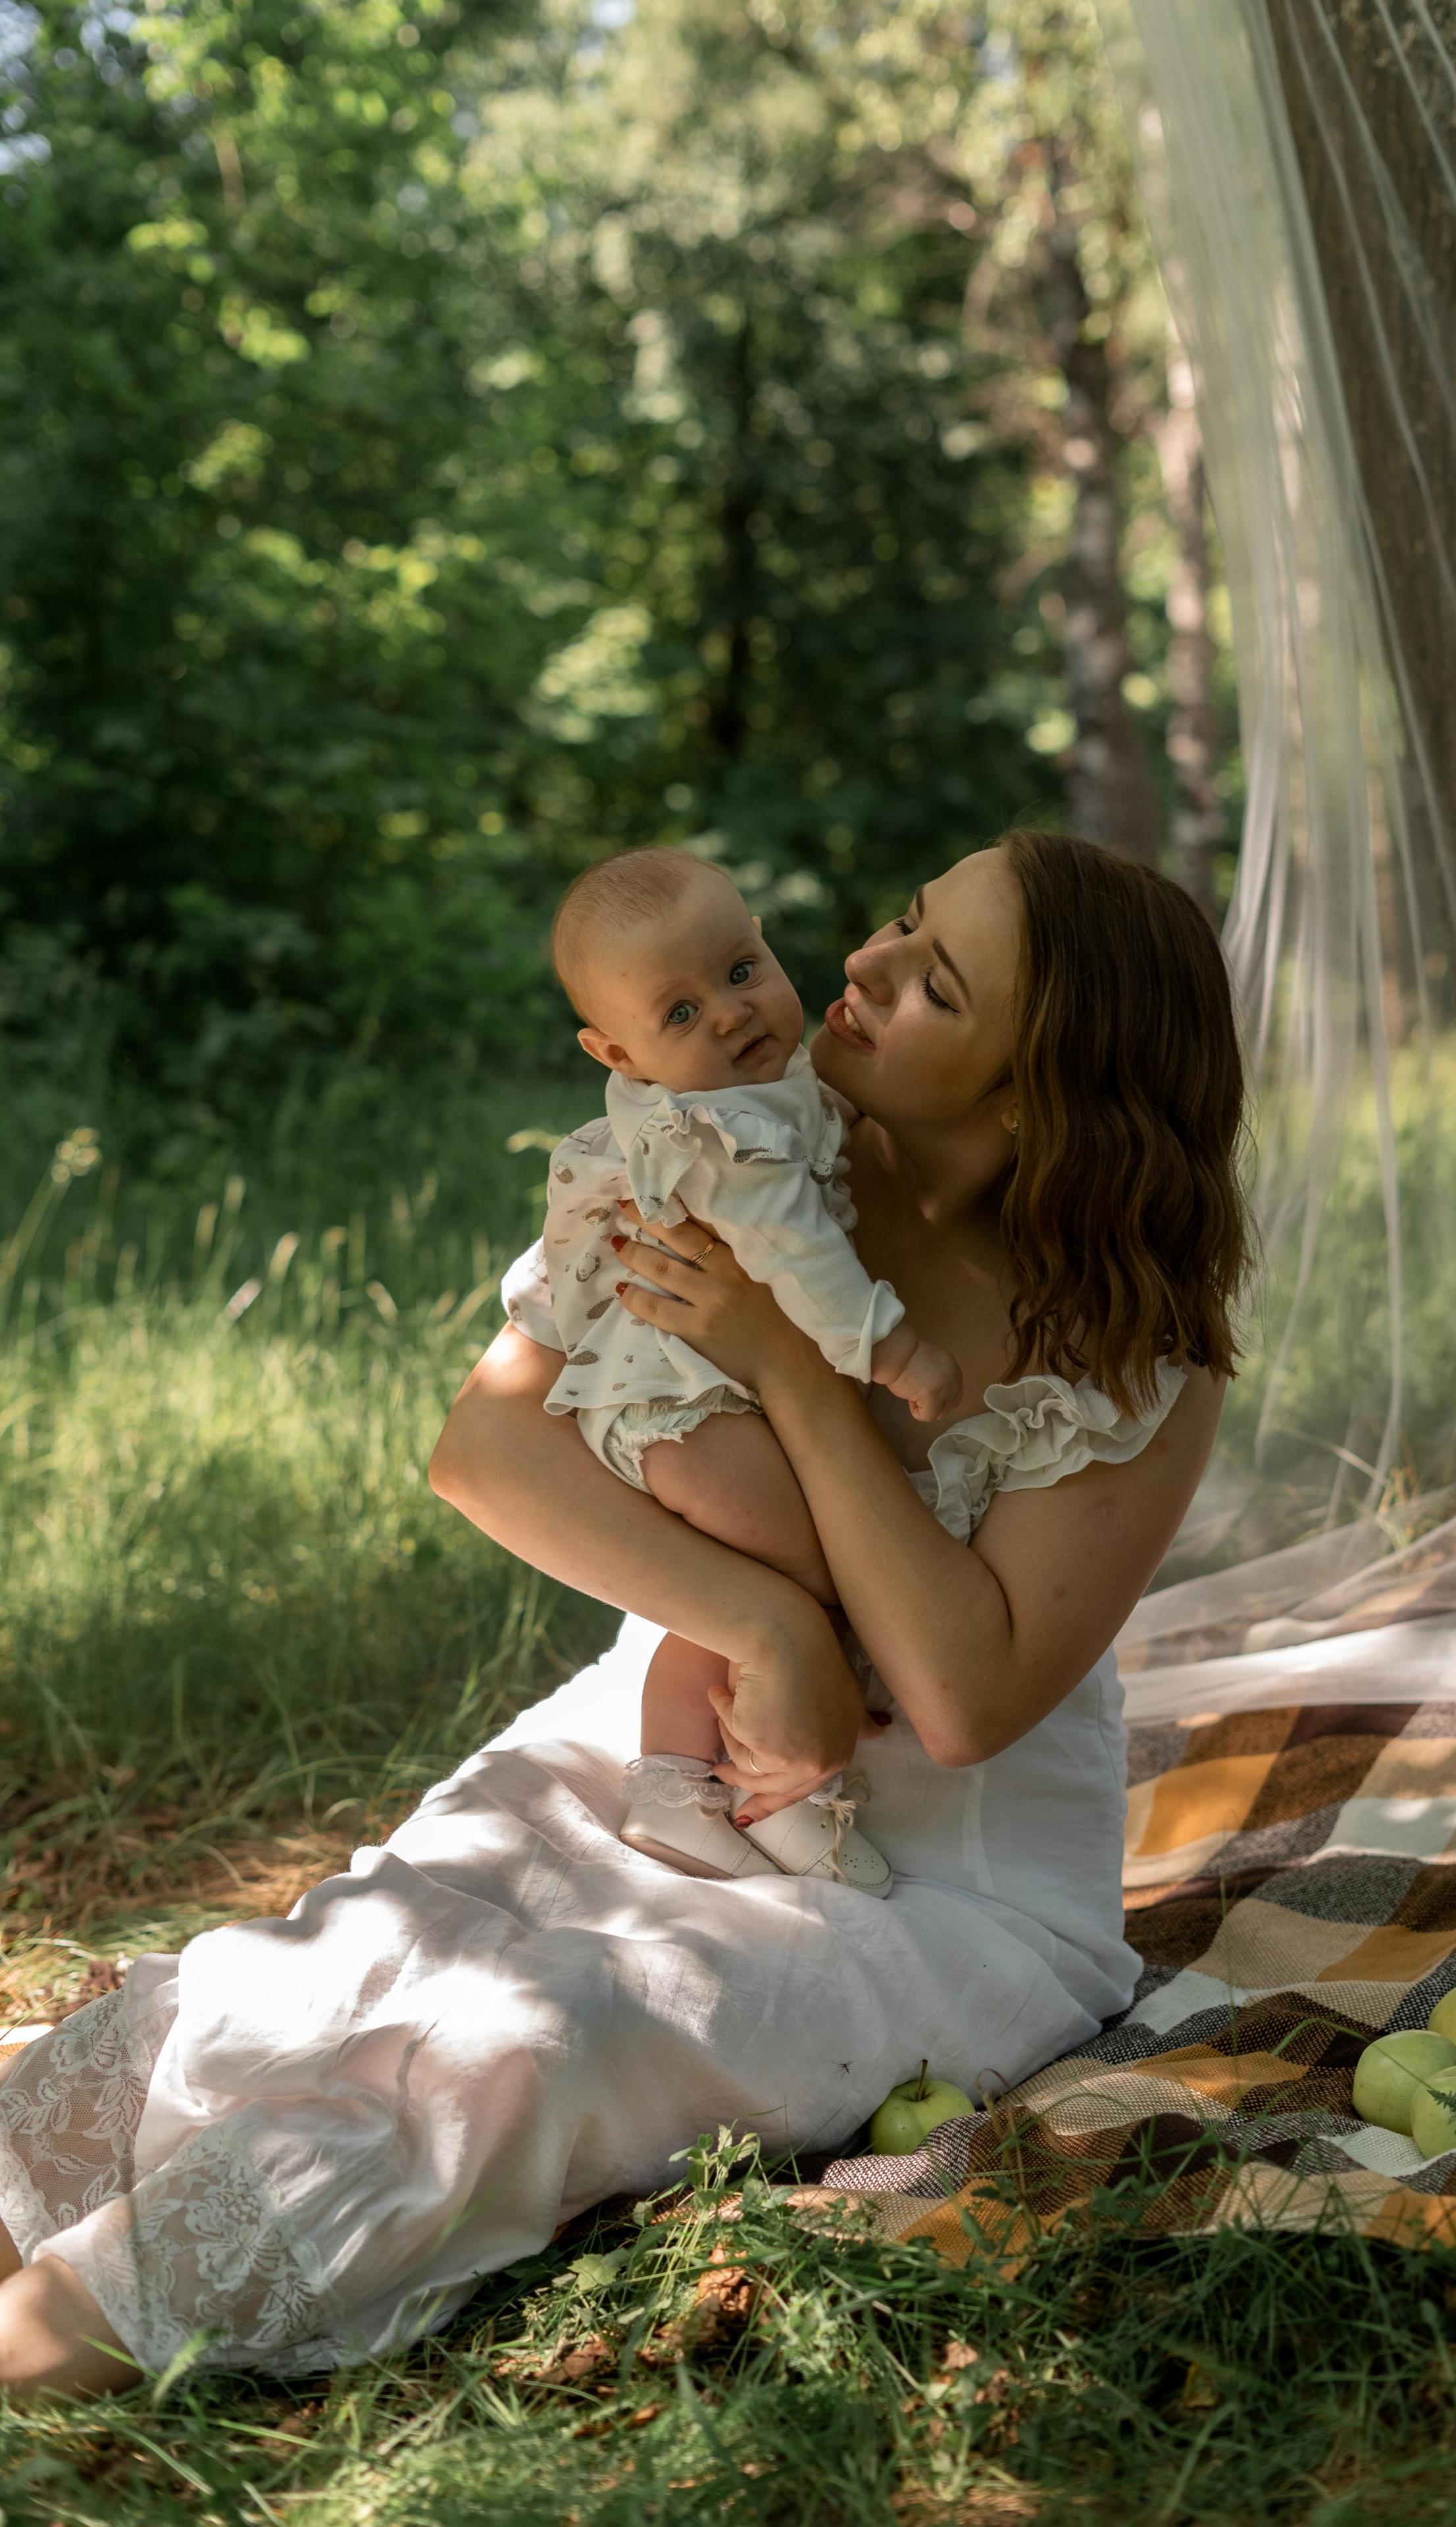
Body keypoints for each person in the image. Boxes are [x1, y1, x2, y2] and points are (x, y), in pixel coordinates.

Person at [0, 830, 1247, 2401]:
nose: (857, 965)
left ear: (1030, 1094)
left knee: (546, 2030)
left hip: (939, 1880)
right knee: (337, 1964)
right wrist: (770, 1628)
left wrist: (790, 1368)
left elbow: (957, 1699)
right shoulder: (723, 1142)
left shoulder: (1136, 1343)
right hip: (656, 1731)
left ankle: (76, 2328)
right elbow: (487, 1448)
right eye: (900, 921)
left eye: (931, 982)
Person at [531, 844, 962, 1895]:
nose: (728, 1016)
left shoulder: (746, 1094)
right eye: (678, 1014)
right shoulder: (721, 1132)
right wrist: (892, 1346)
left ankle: (704, 1787)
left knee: (759, 1592)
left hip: (680, 1397)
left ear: (767, 943)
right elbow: (801, 1260)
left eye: (737, 971)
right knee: (805, 1587)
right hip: (689, 1409)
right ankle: (747, 1791)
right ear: (615, 1049)